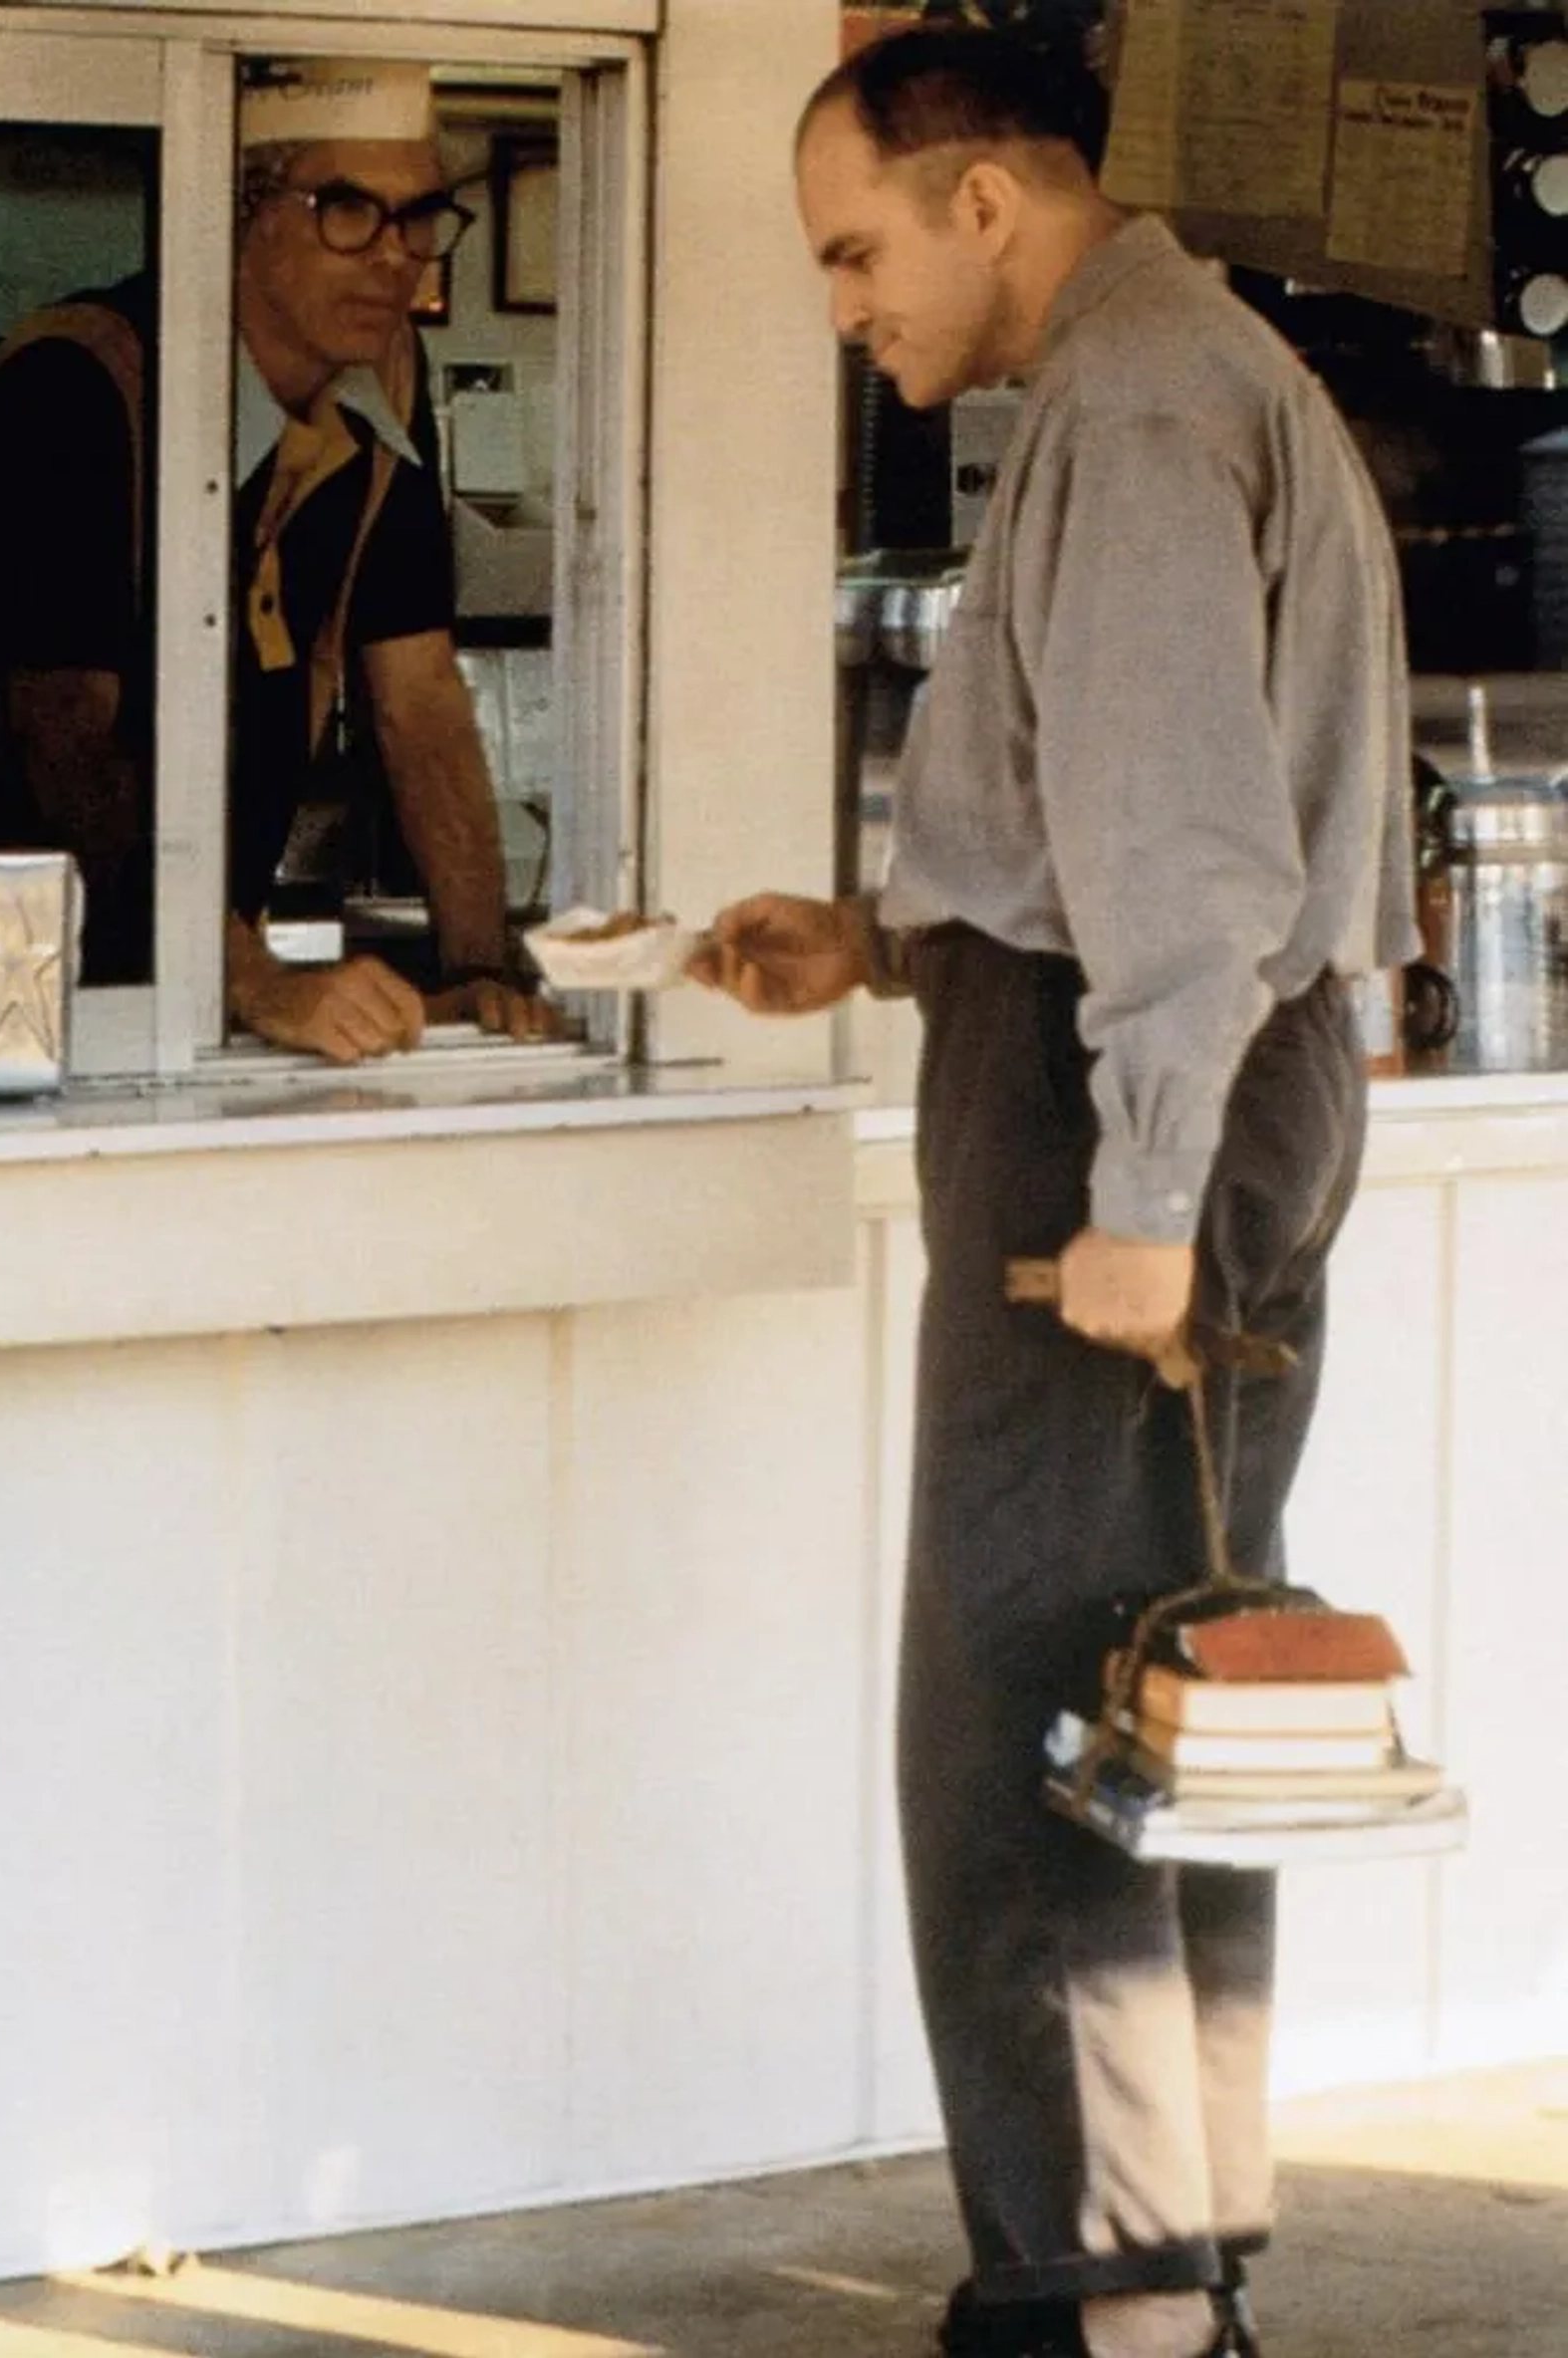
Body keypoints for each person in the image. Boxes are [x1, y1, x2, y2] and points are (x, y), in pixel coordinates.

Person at [690, 27, 1415, 2358]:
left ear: (983, 197)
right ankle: (1167, 2271)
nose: (843, 308)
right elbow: (1120, 823)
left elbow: (1186, 861)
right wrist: (892, 940)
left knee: (1025, 1695)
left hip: (1132, 1113)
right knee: (1175, 1691)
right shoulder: (1183, 377)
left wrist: (1137, 1191)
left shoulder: (1125, 406)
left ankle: (1093, 2302)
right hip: (1186, 1076)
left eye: (853, 249)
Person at [0, 57, 552, 1061]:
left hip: (150, 954)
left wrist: (478, 973)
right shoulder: (75, 381)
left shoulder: (384, 390)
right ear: (239, 209)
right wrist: (251, 979)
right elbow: (69, 739)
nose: (396, 257)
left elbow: (422, 702)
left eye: (420, 218)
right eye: (350, 209)